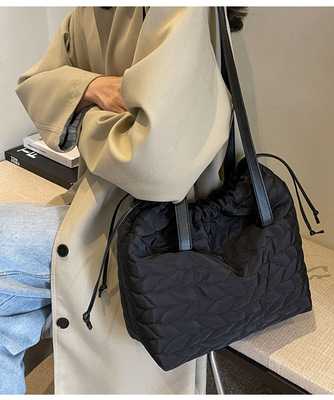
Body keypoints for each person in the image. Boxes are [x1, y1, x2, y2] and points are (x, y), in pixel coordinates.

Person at [0, 6, 247, 394]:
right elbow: (35, 83)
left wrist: (79, 115)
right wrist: (94, 87)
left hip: (167, 226)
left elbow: (157, 165)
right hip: (99, 204)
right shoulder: (90, 11)